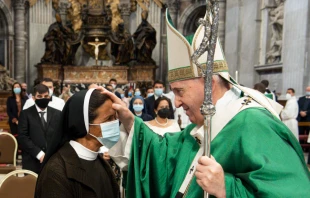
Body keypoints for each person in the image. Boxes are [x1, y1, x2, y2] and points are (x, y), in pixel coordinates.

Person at [107, 9, 310, 197]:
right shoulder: (206, 123)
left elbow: (295, 192)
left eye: (180, 91)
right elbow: (167, 153)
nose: (175, 103)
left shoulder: (253, 124)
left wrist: (227, 189)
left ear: (209, 84)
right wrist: (131, 122)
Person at [35, 89, 119, 197]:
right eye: (109, 119)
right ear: (84, 125)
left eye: (115, 118)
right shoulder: (56, 171)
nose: (115, 123)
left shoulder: (101, 163)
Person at [18, 84, 62, 173]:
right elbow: (23, 137)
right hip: (32, 160)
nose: (43, 98)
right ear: (34, 98)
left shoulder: (58, 113)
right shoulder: (25, 114)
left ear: (49, 97)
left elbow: (61, 135)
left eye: (46, 96)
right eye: (39, 96)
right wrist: (40, 154)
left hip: (53, 160)